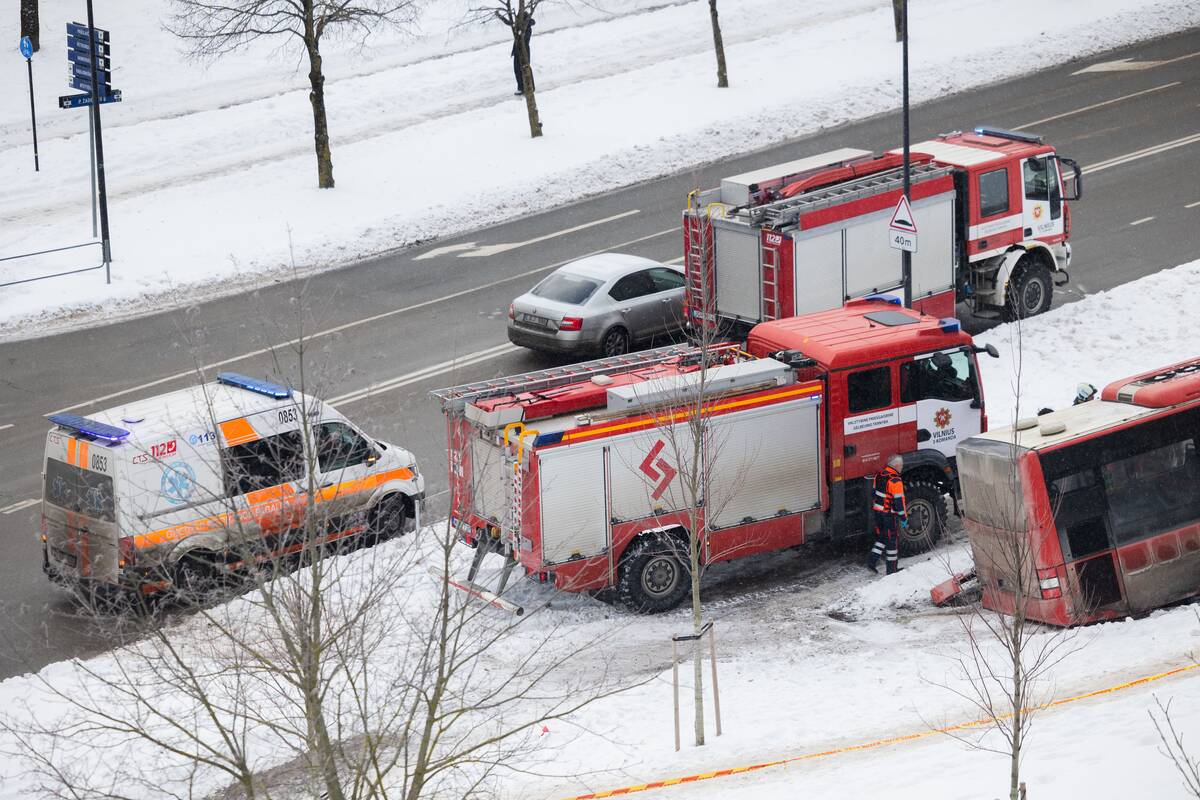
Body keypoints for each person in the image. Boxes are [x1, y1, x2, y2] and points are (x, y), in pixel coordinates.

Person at [866, 454, 907, 575]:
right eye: (901, 465)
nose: (902, 467)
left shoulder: (879, 475)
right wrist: (903, 517)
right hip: (888, 516)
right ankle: (892, 570)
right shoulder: (895, 480)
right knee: (892, 541)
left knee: (882, 537)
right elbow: (900, 502)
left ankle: (871, 562)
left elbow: (874, 493)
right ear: (897, 465)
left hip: (878, 513)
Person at [511, 16, 535, 95]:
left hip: (524, 52)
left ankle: (529, 87)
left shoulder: (527, 28)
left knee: (525, 69)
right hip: (517, 51)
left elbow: (523, 40)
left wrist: (519, 32)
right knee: (517, 70)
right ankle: (521, 87)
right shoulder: (520, 28)